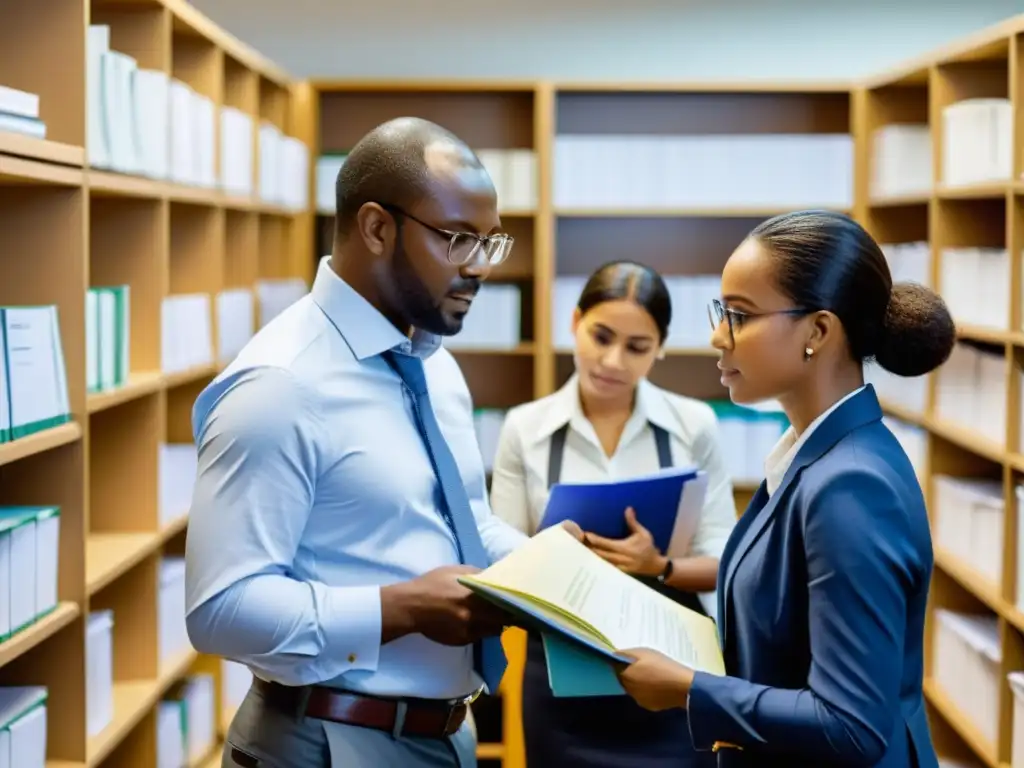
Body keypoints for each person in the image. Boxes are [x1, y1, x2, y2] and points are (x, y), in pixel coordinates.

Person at [183, 116, 580, 768]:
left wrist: (553, 569)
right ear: (376, 228)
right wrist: (398, 610)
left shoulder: (432, 362)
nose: (481, 268)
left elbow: (462, 521)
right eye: (458, 240)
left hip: (445, 733)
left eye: (491, 243)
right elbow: (220, 609)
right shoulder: (281, 385)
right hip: (329, 740)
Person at [613, 210, 950, 768]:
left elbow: (851, 727)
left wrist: (689, 689)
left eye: (740, 316)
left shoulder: (851, 485)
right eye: (721, 311)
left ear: (818, 331)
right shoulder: (812, 454)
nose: (718, 336)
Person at [489, 259, 737, 767]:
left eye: (637, 347)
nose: (613, 360)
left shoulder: (693, 426)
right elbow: (500, 566)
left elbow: (725, 562)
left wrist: (659, 565)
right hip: (560, 683)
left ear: (661, 347)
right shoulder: (525, 429)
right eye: (600, 336)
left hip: (670, 675)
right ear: (574, 322)